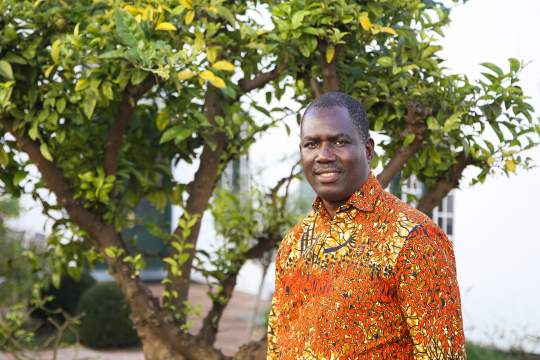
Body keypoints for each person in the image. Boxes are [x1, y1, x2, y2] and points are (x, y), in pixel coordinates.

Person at [267, 93, 465, 360]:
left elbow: (443, 355)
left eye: (339, 142)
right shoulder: (295, 242)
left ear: (368, 150)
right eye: (311, 144)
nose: (323, 156)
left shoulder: (415, 238)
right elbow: (277, 345)